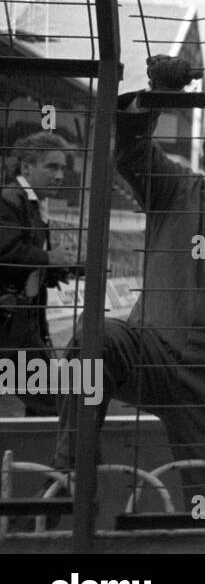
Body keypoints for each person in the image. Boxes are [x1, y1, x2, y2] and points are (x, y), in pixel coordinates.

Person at [54, 55, 205, 508]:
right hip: (149, 351)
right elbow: (129, 150)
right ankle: (73, 459)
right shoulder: (175, 189)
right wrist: (158, 94)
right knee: (95, 334)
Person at [1, 132, 77, 417]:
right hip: (11, 322)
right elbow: (5, 252)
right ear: (26, 167)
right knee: (49, 398)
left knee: (46, 396)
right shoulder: (9, 200)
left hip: (19, 320)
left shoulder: (30, 202)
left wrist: (55, 270)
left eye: (62, 168)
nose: (59, 176)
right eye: (52, 167)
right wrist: (48, 258)